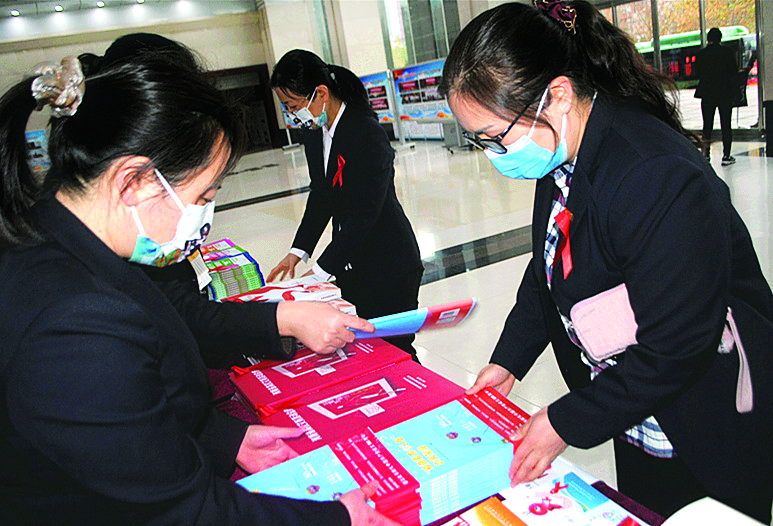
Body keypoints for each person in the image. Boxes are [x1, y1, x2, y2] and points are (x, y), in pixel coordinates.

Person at [0, 45, 396, 525]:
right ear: (135, 182)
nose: (205, 218)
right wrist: (337, 519)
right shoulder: (74, 323)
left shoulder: (68, 242)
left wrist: (225, 439)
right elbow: (181, 509)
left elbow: (120, 434)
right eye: (204, 196)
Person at [439, 1, 773, 523]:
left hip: (706, 419)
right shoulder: (564, 152)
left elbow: (678, 345)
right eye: (478, 141)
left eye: (496, 138)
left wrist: (565, 421)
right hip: (634, 406)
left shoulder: (652, 173)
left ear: (557, 95)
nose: (493, 155)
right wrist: (508, 362)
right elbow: (548, 266)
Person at [268, 50, 424, 358]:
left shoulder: (366, 133)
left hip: (389, 264)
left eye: (294, 106)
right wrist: (298, 251)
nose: (292, 115)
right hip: (353, 264)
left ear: (321, 93)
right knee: (365, 350)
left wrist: (321, 271)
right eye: (286, 107)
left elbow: (365, 213)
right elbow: (321, 195)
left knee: (395, 351)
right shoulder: (314, 134)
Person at [694, 27, 739, 166]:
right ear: (720, 39)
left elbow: (697, 73)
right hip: (724, 93)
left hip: (707, 93)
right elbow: (734, 71)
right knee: (726, 124)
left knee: (707, 125)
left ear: (708, 39)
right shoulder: (727, 52)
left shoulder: (701, 54)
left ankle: (706, 154)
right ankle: (726, 155)